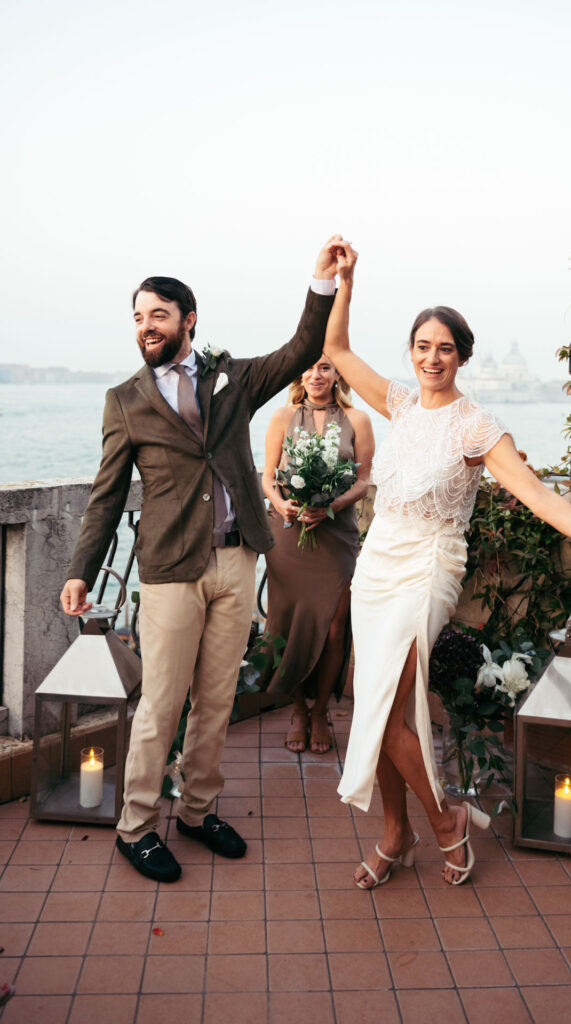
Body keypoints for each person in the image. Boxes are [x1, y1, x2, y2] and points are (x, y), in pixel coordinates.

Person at [323, 243, 571, 889]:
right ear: (411, 351)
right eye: (421, 346)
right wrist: (346, 282)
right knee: (370, 702)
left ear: (462, 356)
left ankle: (442, 823)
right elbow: (339, 350)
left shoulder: (475, 426)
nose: (431, 358)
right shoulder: (399, 405)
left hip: (428, 566)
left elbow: (541, 497)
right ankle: (394, 831)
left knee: (388, 705)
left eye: (444, 348)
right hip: (375, 565)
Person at [60, 236, 343, 883]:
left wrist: (320, 282)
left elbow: (301, 350)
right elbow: (105, 498)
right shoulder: (124, 401)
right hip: (168, 572)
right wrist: (81, 567)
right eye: (137, 317)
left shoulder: (232, 378)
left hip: (237, 560)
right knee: (162, 703)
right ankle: (135, 827)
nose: (145, 327)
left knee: (216, 700)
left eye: (157, 314)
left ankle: (195, 810)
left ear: (189, 319)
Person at [259, 356, 374, 753]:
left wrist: (333, 505)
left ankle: (322, 710)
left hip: (336, 534)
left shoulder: (357, 419)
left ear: (337, 372)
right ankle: (298, 709)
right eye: (307, 367)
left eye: (325, 367)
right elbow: (267, 476)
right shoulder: (282, 416)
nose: (316, 375)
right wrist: (282, 504)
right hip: (289, 535)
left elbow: (364, 479)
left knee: (335, 627)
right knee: (286, 624)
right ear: (299, 374)